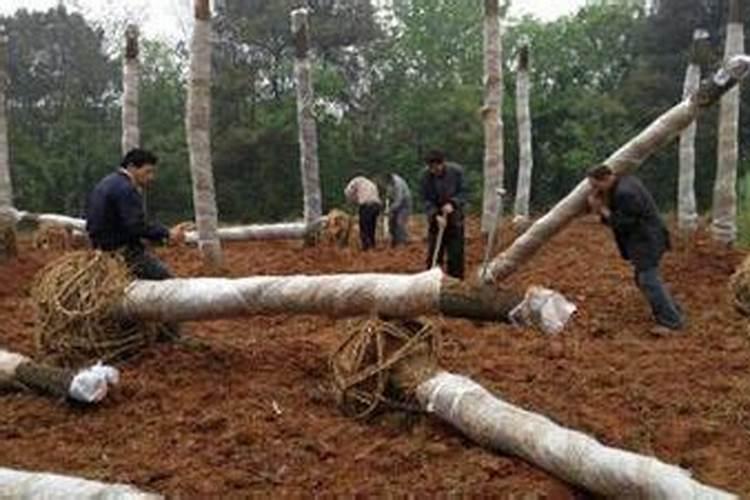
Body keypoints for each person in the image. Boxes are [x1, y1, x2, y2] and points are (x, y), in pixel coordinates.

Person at [586, 164, 684, 331]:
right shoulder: (625, 182)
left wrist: (601, 210)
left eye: (596, 186)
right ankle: (673, 311)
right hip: (648, 238)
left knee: (648, 280)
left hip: (646, 240)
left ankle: (671, 321)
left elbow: (624, 224)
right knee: (643, 279)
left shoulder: (625, 193)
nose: (595, 190)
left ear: (606, 179)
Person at [86, 148, 183, 280]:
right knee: (169, 284)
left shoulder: (105, 183)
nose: (151, 177)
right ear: (131, 167)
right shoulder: (127, 189)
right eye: (148, 171)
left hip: (100, 251)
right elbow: (136, 226)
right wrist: (167, 233)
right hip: (124, 254)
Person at [422, 149, 465, 279]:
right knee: (434, 252)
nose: (434, 171)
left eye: (436, 168)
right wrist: (436, 215)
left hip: (455, 219)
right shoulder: (425, 176)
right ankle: (431, 282)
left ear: (443, 164)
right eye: (431, 168)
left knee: (455, 254)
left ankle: (456, 282)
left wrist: (453, 203)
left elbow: (464, 192)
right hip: (436, 220)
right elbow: (426, 199)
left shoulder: (456, 172)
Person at [344, 174, 382, 251]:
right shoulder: (370, 183)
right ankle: (372, 244)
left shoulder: (355, 181)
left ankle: (366, 247)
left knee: (364, 227)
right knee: (371, 226)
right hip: (376, 205)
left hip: (366, 205)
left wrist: (350, 202)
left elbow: (347, 192)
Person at [383, 172, 412, 247]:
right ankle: (395, 240)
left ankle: (402, 241)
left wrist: (390, 210)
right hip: (395, 203)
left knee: (400, 222)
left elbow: (399, 199)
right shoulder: (389, 183)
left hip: (404, 204)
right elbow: (388, 196)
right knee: (391, 222)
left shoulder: (398, 183)